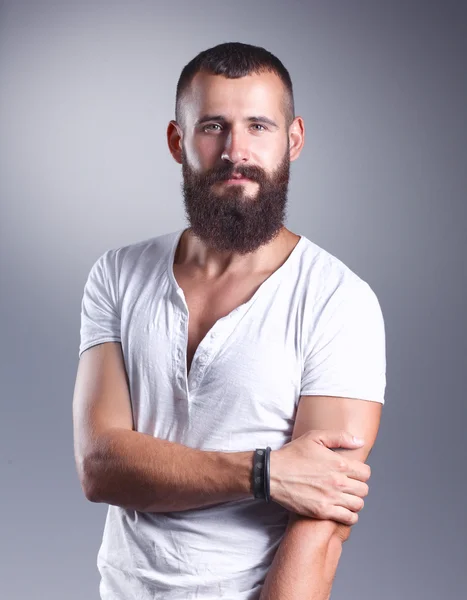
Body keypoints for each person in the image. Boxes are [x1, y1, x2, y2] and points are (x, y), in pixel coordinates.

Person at [72, 41, 386, 600]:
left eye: (259, 126)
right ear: (178, 141)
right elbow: (101, 465)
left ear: (293, 141)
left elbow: (321, 525)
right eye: (213, 125)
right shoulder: (117, 275)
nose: (235, 151)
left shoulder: (339, 301)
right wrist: (266, 473)